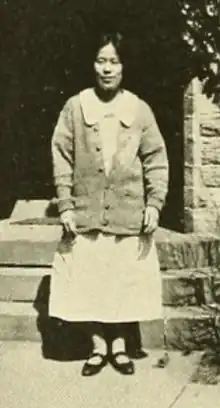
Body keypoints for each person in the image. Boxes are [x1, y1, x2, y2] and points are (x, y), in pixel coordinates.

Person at [49, 32, 169, 376]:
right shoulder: (76, 107)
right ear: (92, 64)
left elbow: (155, 159)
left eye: (114, 61)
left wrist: (154, 203)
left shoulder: (139, 109)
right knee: (87, 279)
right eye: (101, 60)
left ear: (124, 66)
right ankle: (97, 345)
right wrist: (66, 205)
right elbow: (61, 156)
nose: (107, 69)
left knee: (122, 279)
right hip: (86, 212)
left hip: (127, 213)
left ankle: (119, 345)